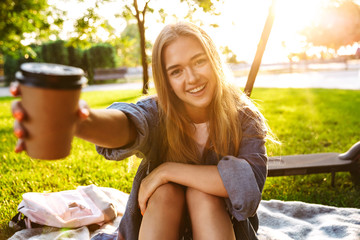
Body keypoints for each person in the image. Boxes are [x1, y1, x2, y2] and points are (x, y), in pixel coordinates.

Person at [11, 22, 269, 240]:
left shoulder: (244, 119)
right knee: (166, 191)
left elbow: (246, 189)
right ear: (165, 79)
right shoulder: (160, 113)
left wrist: (167, 171)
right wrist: (79, 122)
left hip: (222, 229)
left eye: (199, 61)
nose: (191, 78)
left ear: (214, 60)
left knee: (204, 194)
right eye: (176, 71)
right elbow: (130, 124)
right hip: (160, 225)